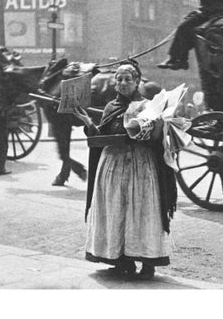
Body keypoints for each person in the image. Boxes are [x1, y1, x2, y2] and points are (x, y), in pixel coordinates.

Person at [73, 60, 177, 280]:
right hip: (112, 166)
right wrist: (87, 122)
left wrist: (158, 127)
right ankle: (121, 260)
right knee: (116, 212)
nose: (122, 83)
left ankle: (148, 262)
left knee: (142, 212)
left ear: (137, 81)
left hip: (141, 166)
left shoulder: (149, 106)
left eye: (128, 79)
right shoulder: (111, 107)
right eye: (118, 79)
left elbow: (158, 140)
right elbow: (100, 136)